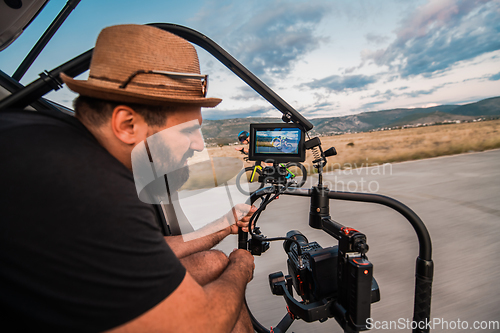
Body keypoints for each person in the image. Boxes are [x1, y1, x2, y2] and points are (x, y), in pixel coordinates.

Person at [0, 24, 256, 332]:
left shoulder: (48, 137)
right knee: (226, 274)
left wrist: (223, 226)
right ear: (128, 124)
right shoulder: (86, 185)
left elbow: (145, 250)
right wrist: (242, 266)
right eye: (188, 130)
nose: (199, 145)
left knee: (214, 262)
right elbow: (201, 325)